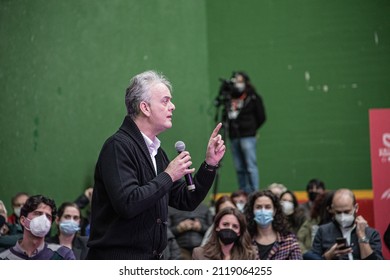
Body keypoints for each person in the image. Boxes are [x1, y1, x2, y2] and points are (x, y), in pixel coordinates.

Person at [86, 70, 226, 260]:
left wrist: (210, 164)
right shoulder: (118, 146)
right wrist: (168, 175)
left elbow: (186, 200)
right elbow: (128, 203)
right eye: (165, 101)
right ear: (145, 107)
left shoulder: (156, 152)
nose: (173, 106)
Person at [309, 188, 383, 260]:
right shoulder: (323, 232)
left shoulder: (371, 233)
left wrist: (362, 236)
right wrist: (329, 255)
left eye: (347, 212)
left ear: (356, 208)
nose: (342, 217)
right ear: (332, 209)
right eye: (338, 212)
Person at [224, 71, 266, 194]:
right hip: (234, 136)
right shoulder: (229, 97)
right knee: (239, 167)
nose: (238, 84)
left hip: (248, 135)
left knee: (250, 166)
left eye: (240, 81)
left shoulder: (253, 97)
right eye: (235, 81)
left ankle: (254, 192)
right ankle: (243, 191)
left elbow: (262, 116)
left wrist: (252, 129)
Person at [0, 195, 75, 260]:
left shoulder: (63, 255)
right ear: (23, 220)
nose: (43, 219)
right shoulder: (4, 258)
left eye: (48, 216)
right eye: (38, 213)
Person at [244, 190, 302, 260]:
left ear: (274, 211)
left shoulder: (289, 240)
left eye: (267, 207)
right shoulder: (245, 240)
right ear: (252, 211)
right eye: (258, 207)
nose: (263, 211)